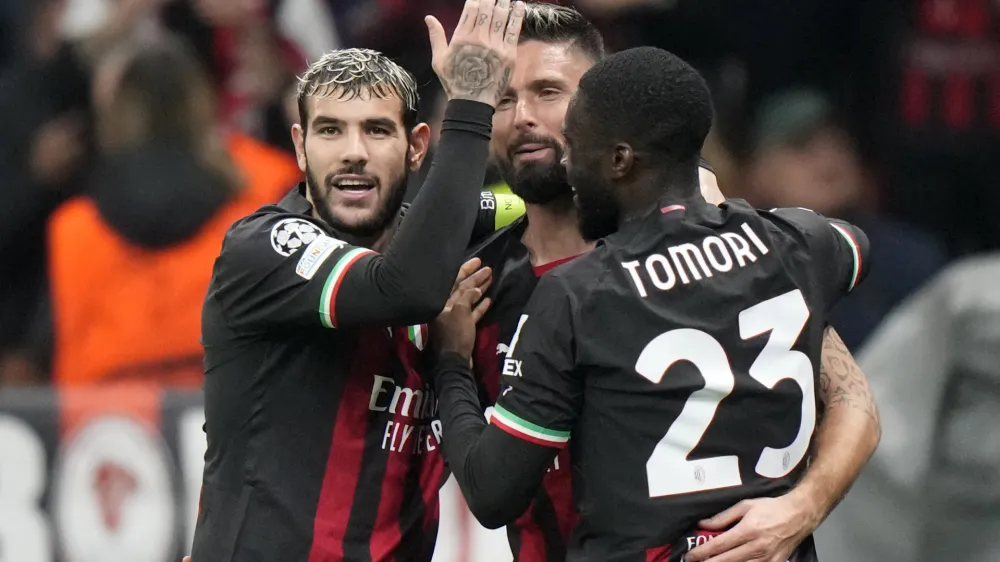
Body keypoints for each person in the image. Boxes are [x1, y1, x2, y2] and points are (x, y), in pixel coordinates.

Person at [463, 4, 880, 562]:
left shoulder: (725, 256)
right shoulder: (473, 281)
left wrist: (802, 507)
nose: (523, 118)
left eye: (548, 92)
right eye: (505, 98)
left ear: (606, 105)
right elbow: (844, 245)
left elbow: (856, 406)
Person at [191, 1, 526, 560]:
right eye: (330, 131)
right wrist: (470, 102)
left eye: (376, 131)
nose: (353, 154)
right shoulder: (265, 247)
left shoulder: (438, 239)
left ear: (417, 147)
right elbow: (406, 288)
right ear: (300, 147)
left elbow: (547, 201)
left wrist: (692, 186)